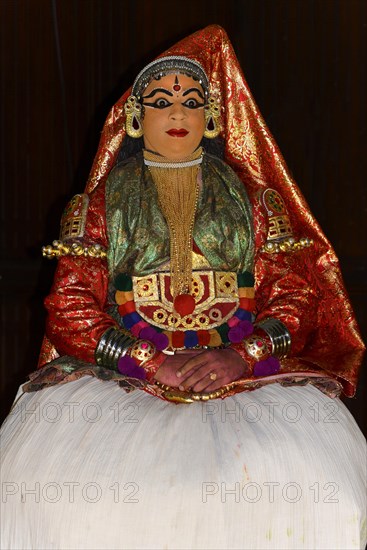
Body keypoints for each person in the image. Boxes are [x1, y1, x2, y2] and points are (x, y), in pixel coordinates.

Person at [1, 25, 366, 550]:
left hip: (244, 374)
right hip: (122, 379)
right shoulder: (98, 208)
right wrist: (151, 364)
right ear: (136, 117)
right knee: (61, 501)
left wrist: (243, 355)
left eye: (192, 102)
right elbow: (70, 308)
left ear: (211, 117)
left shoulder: (257, 202)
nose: (177, 114)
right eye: (162, 102)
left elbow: (296, 296)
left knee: (319, 491)